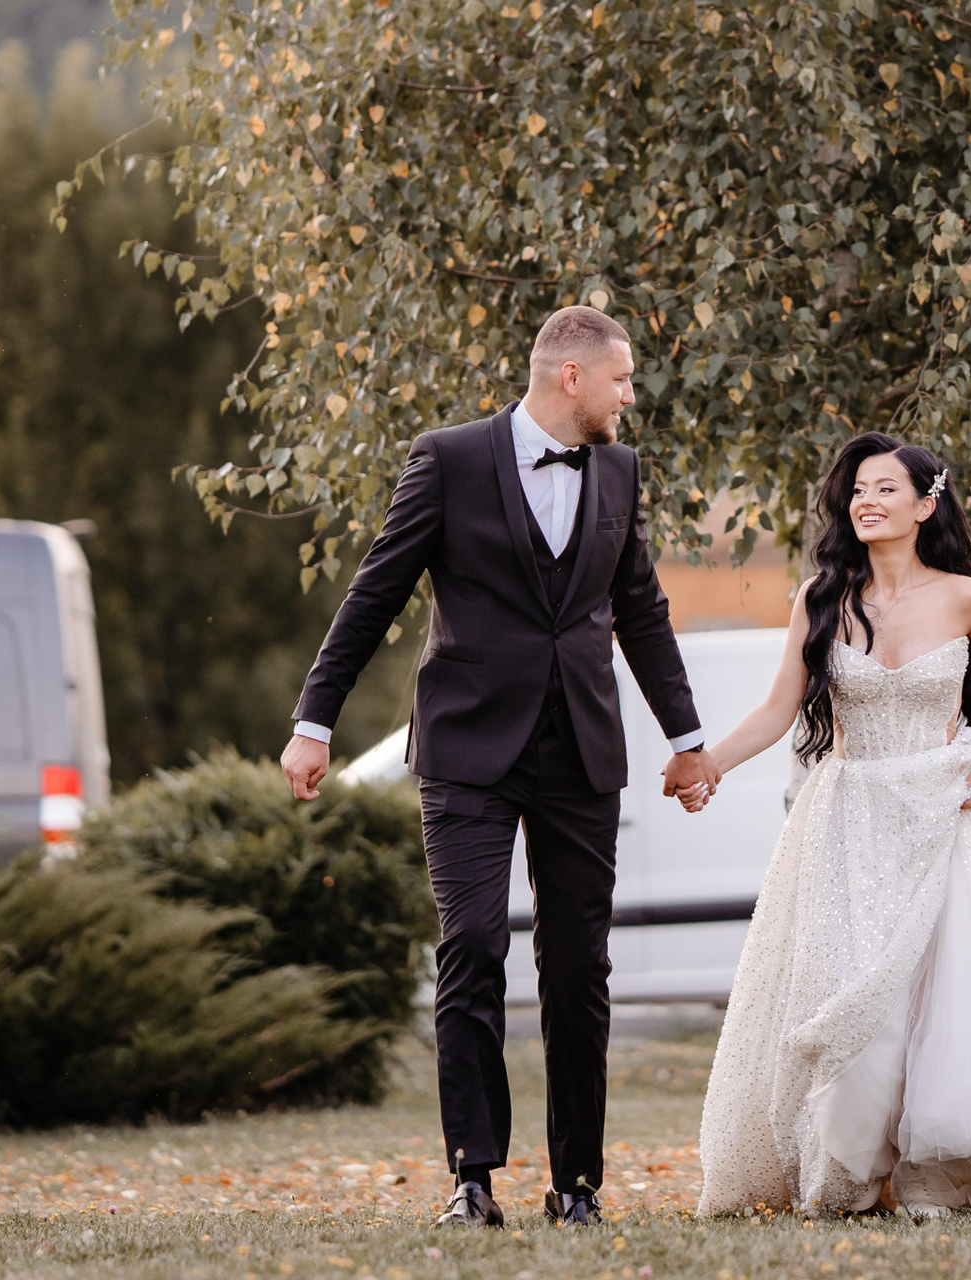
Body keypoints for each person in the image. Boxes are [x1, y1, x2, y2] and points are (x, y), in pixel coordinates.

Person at [280, 306, 722, 1228]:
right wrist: (314, 722)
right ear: (572, 377)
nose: (630, 397)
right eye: (621, 380)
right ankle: (472, 1181)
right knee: (473, 946)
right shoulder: (448, 459)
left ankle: (577, 1187)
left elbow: (640, 611)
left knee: (579, 969)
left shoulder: (619, 471)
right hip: (468, 750)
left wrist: (686, 739)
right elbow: (375, 591)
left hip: (582, 751)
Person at [684, 432, 971, 1217]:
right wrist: (710, 763)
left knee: (945, 985)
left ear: (926, 505)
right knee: (852, 984)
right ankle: (852, 1170)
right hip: (850, 818)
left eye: (885, 488)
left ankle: (944, 1168)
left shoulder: (965, 596)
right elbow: (778, 708)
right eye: (859, 489)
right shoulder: (821, 597)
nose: (866, 501)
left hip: (944, 811)